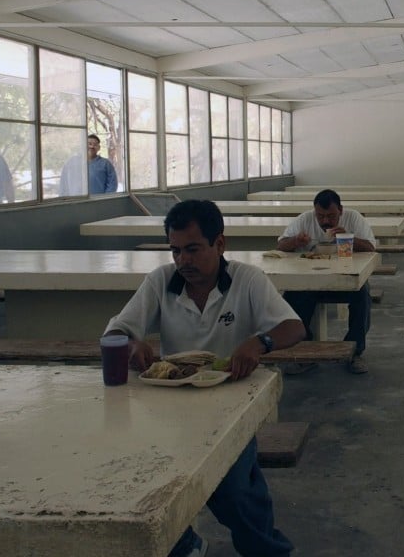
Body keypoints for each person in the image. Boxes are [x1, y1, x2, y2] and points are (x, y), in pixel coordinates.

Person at [104, 199, 303, 557]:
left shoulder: (247, 280)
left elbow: (292, 327)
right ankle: (183, 545)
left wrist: (260, 343)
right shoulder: (161, 281)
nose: (183, 261)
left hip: (232, 405)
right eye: (175, 251)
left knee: (233, 490)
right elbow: (116, 329)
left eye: (193, 249)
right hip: (168, 406)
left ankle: (270, 551)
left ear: (220, 244)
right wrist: (132, 344)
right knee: (144, 482)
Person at [276, 188, 376, 374]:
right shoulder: (305, 219)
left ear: (341, 210)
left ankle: (355, 351)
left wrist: (348, 238)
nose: (325, 221)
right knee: (292, 296)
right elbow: (281, 244)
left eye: (331, 216)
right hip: (310, 280)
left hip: (345, 280)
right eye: (320, 216)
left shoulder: (354, 218)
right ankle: (303, 350)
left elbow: (371, 247)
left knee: (362, 295)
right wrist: (296, 241)